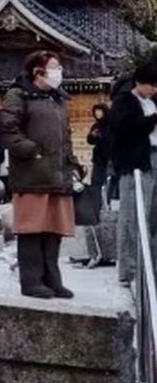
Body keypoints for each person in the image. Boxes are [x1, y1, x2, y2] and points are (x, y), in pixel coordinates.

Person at [0, 51, 81, 299]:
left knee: (54, 229)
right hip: (32, 174)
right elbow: (7, 130)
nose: (60, 73)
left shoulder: (57, 99)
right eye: (55, 68)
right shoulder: (18, 95)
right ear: (38, 71)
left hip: (57, 173)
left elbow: (64, 137)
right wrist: (31, 151)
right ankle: (31, 281)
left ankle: (52, 279)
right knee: (32, 229)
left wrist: (72, 163)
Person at [110, 62, 157, 287]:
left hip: (153, 157)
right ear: (139, 82)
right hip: (134, 163)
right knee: (131, 216)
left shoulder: (153, 102)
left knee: (151, 216)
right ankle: (127, 270)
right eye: (151, 85)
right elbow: (123, 129)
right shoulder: (124, 102)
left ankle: (150, 266)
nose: (153, 90)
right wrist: (151, 121)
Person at [85, 103, 113, 268]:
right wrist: (94, 135)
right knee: (96, 184)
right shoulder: (96, 126)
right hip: (98, 161)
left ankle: (106, 205)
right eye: (96, 112)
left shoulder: (110, 125)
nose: (98, 114)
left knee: (107, 185)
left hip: (108, 160)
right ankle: (97, 204)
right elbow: (90, 139)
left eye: (100, 112)